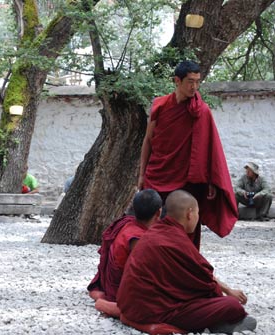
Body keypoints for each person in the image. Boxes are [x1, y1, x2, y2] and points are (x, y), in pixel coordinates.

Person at [117, 190, 256, 334]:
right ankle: (214, 324)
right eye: (197, 213)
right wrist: (222, 295)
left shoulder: (155, 232)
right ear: (190, 213)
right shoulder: (176, 238)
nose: (197, 218)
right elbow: (205, 281)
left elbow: (192, 277)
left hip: (129, 305)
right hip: (151, 311)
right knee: (232, 305)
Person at [138, 60, 237, 249]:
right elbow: (148, 140)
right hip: (158, 174)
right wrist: (142, 174)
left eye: (198, 82)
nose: (194, 87)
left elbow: (210, 148)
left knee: (185, 227)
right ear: (177, 80)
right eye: (190, 81)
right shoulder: (160, 106)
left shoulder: (201, 111)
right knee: (153, 226)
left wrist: (210, 181)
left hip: (186, 181)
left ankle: (184, 266)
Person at [87, 189, 162, 308]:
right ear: (159, 212)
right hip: (122, 290)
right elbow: (145, 274)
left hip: (110, 283)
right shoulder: (139, 239)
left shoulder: (125, 223)